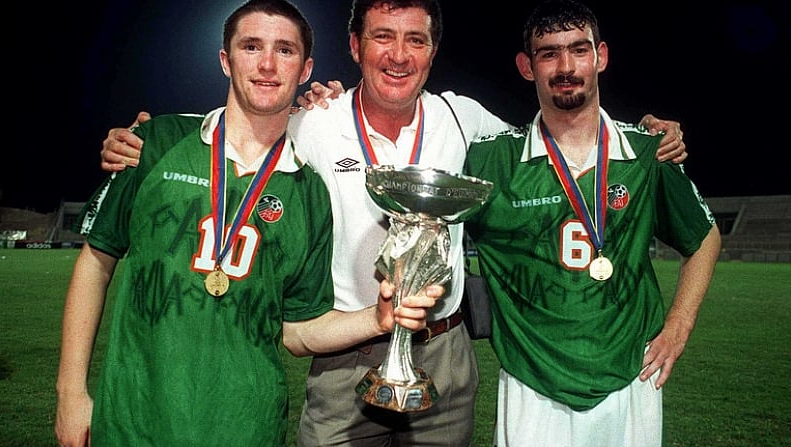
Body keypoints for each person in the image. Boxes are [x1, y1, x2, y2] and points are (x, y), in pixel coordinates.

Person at [97, 1, 689, 445]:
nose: (399, 56)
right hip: (340, 354)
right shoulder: (315, 122)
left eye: (415, 40)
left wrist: (649, 130)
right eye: (382, 37)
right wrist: (143, 139)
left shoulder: (465, 119)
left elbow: (560, 134)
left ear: (433, 51)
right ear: (355, 47)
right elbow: (242, 126)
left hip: (445, 352)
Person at [53, 1, 438, 446]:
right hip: (133, 423)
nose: (268, 65)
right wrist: (70, 393)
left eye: (286, 51)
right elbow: (95, 263)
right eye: (252, 46)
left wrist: (377, 318)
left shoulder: (309, 190)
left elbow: (297, 331)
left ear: (306, 67)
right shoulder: (155, 143)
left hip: (247, 429)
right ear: (225, 59)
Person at [459, 0, 721, 445]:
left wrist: (679, 325)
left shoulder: (646, 153)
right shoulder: (489, 159)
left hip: (630, 376)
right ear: (527, 66)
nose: (566, 66)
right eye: (548, 53)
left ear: (600, 56)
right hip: (531, 382)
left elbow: (703, 237)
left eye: (578, 50)